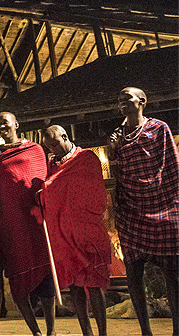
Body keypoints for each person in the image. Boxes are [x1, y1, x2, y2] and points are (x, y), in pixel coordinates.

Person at [108, 87, 178, 336]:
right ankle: (145, 332)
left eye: (127, 99)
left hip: (163, 207)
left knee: (173, 274)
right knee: (133, 275)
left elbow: (172, 165)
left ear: (143, 102)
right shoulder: (117, 136)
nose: (122, 104)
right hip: (131, 212)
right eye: (120, 101)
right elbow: (115, 175)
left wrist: (173, 202)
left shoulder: (159, 128)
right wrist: (113, 150)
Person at [41, 125, 110, 336]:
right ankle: (86, 332)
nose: (53, 149)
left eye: (55, 144)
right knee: (75, 285)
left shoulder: (86, 159)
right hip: (63, 234)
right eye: (49, 147)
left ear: (65, 136)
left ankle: (103, 333)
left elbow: (95, 192)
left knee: (95, 283)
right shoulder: (51, 165)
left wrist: (50, 187)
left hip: (87, 231)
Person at [0, 112, 55, 336]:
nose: (2, 127)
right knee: (18, 280)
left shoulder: (36, 150)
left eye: (5, 123)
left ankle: (51, 331)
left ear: (16, 125)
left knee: (46, 276)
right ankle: (35, 332)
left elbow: (46, 180)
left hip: (35, 220)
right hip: (12, 224)